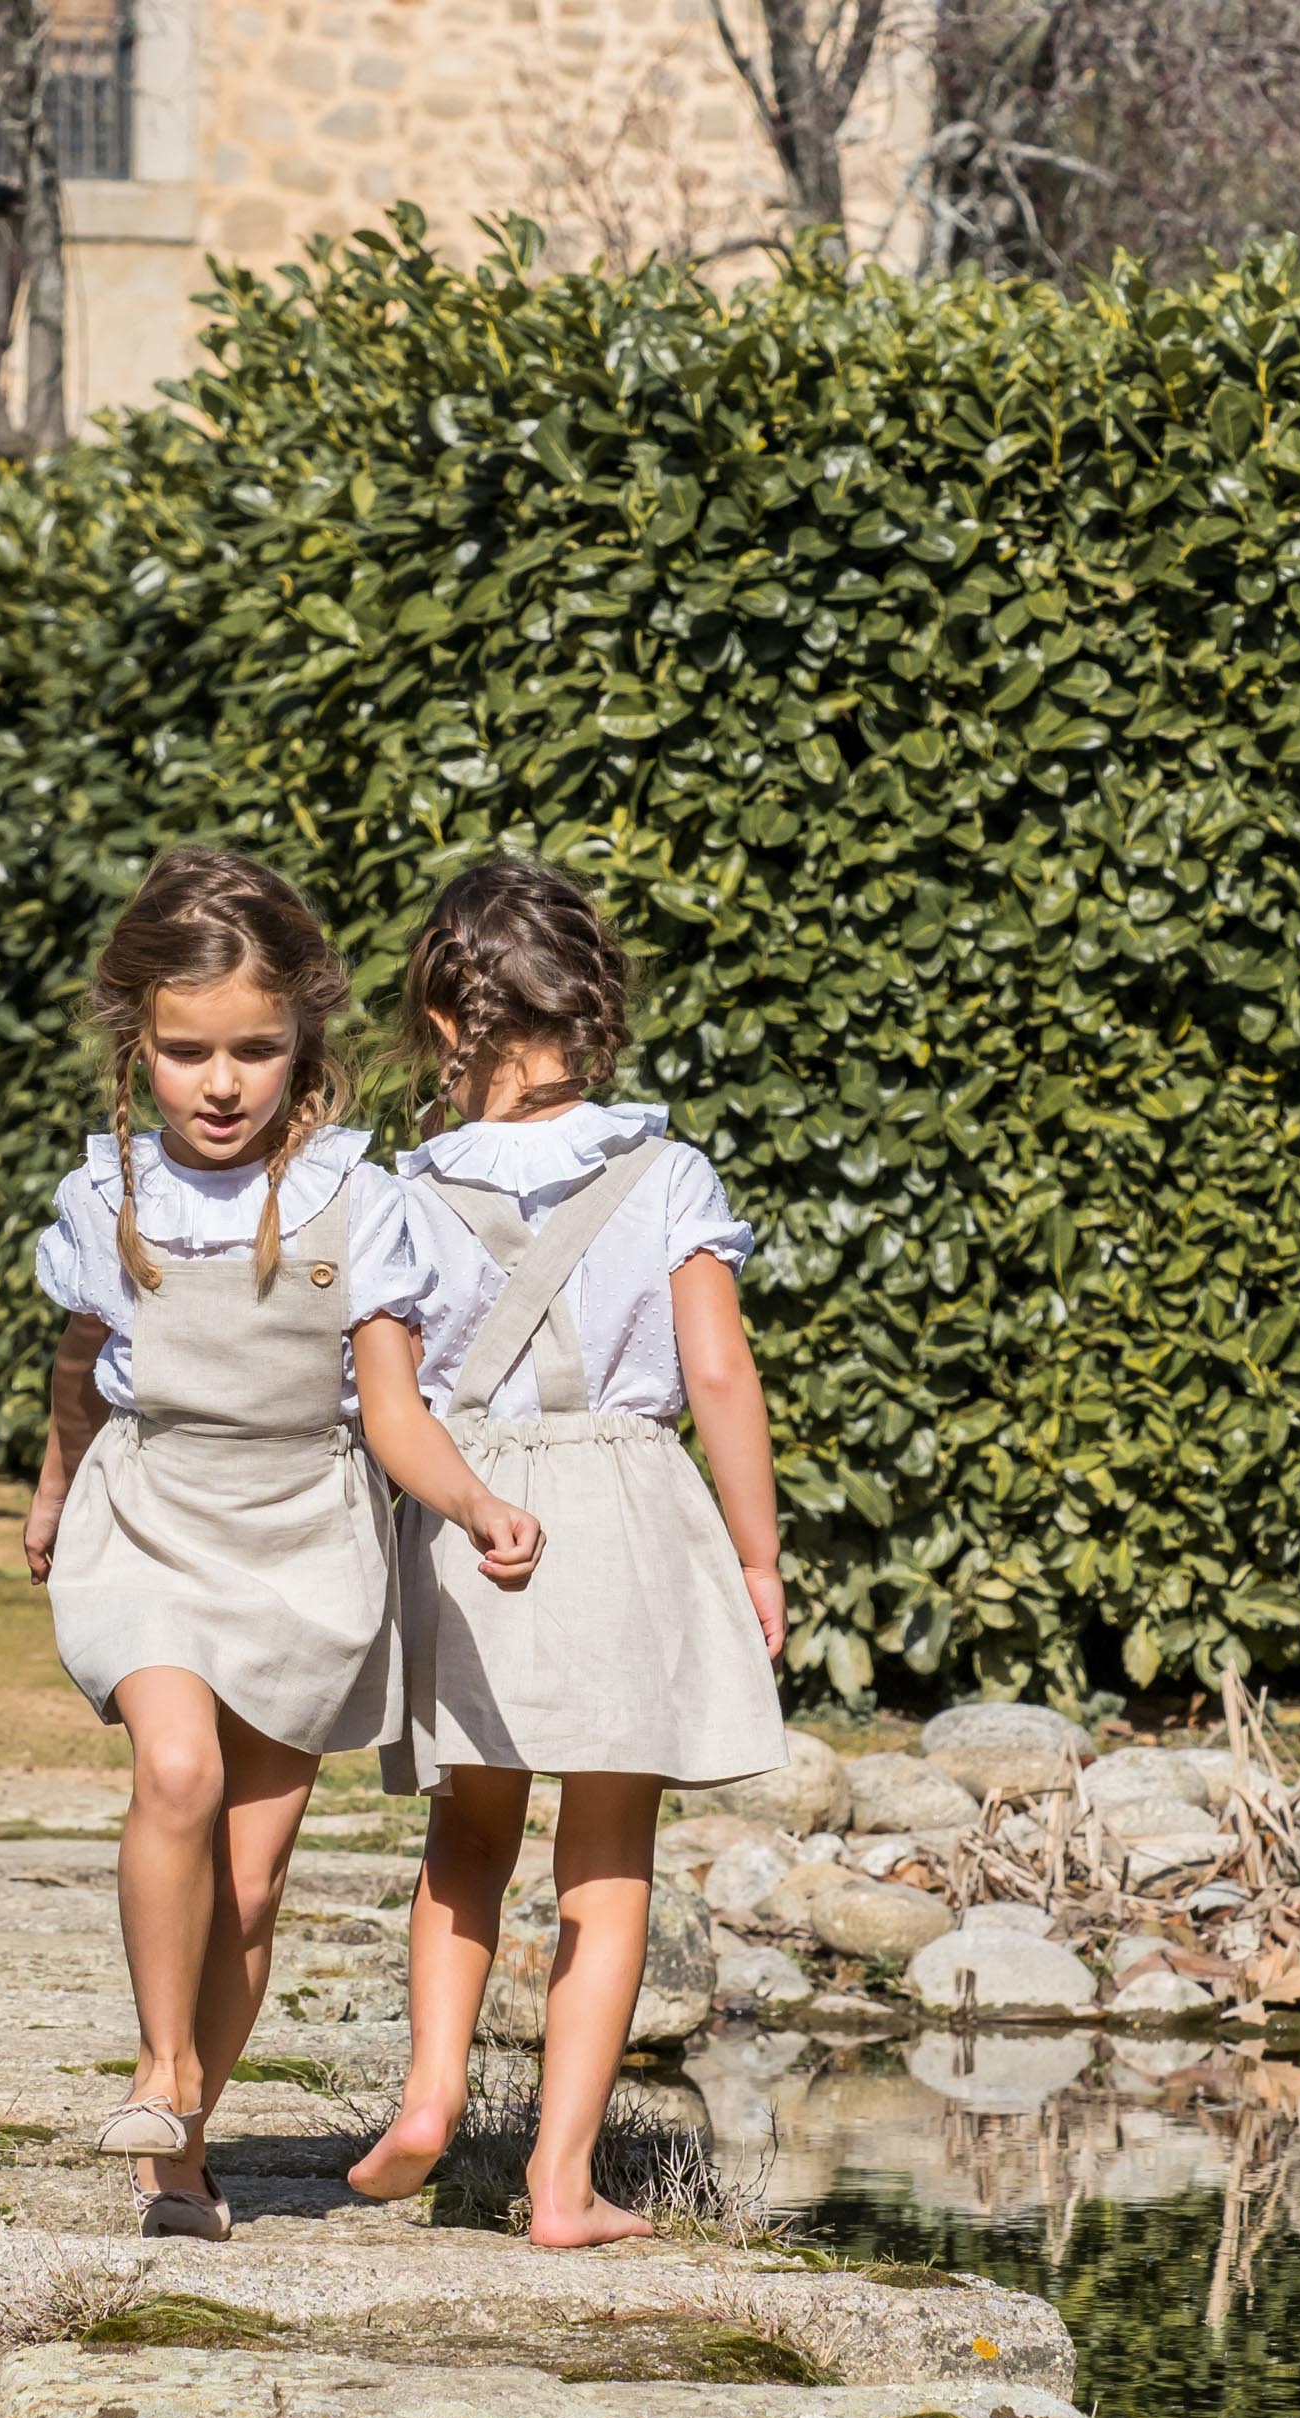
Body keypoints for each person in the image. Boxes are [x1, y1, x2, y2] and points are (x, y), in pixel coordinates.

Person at [23, 845, 542, 2240]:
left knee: (248, 1888)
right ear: (137, 1039)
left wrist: (475, 1499)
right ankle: (160, 2064)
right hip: (147, 1514)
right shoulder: (104, 1191)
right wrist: (49, 1487)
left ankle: (182, 2150)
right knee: (174, 1768)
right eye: (187, 1050)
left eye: (253, 1049)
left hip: (302, 1540)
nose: (218, 1081)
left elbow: (389, 1412)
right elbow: (84, 1361)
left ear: (304, 1032)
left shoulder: (357, 1202)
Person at [344, 858, 788, 2245]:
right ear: (596, 1014)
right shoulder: (665, 1173)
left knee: (463, 1830)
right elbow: (715, 1373)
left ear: (435, 1020)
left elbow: (388, 1404)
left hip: (469, 1505)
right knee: (605, 1852)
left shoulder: (397, 1192)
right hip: (621, 1507)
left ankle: (426, 2096)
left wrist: (461, 1505)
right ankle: (558, 2180)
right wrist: (757, 1553)